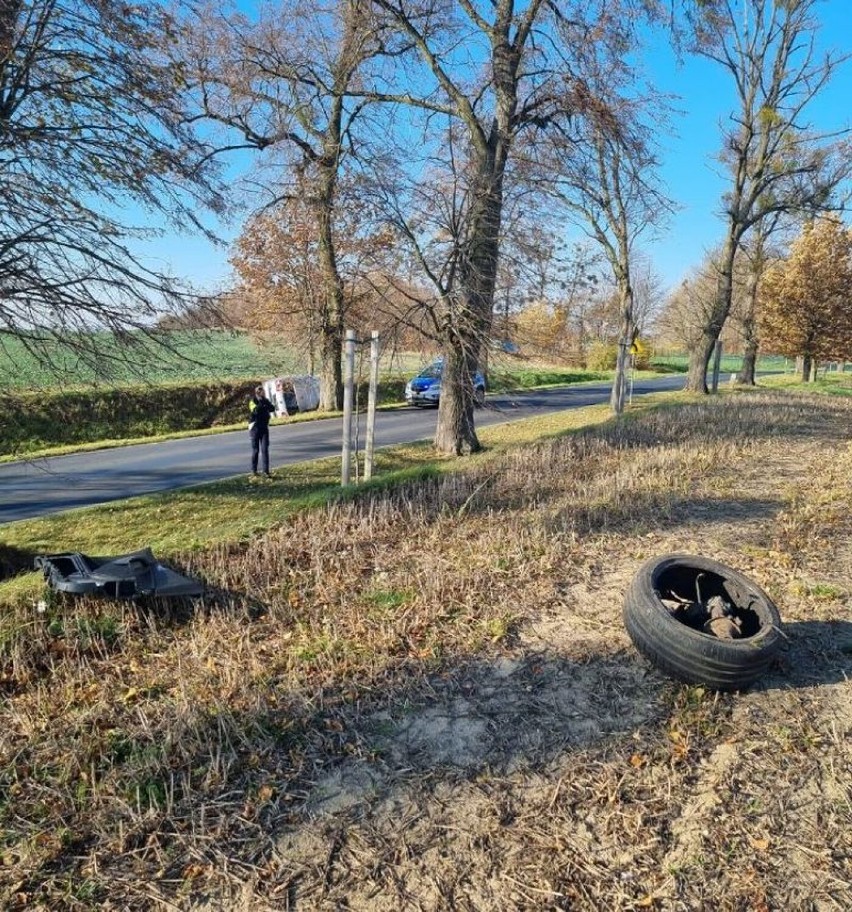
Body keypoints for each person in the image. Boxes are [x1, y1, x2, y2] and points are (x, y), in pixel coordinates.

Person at [248, 384, 276, 476]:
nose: (262, 392)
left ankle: (266, 471)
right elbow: (255, 411)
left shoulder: (265, 400)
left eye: (262, 391)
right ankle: (254, 470)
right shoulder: (252, 401)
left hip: (264, 427)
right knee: (255, 450)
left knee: (265, 449)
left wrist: (265, 403)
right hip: (255, 428)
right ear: (257, 393)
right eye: (260, 391)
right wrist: (261, 404)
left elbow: (272, 408)